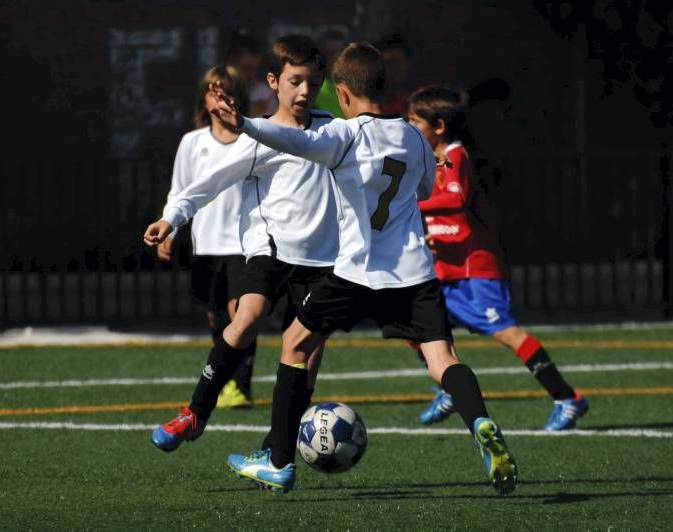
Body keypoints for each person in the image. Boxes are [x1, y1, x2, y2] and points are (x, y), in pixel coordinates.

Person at [215, 42, 518, 495]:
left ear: (341, 93)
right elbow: (422, 190)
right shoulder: (414, 136)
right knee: (443, 361)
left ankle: (278, 462)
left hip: (355, 271)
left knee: (296, 344)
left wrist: (245, 124)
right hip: (414, 274)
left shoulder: (345, 134)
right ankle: (480, 423)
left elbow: (297, 140)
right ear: (385, 87)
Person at [144, 34, 338, 453]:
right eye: (295, 81)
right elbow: (210, 182)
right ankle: (195, 413)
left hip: (323, 260)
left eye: (312, 82)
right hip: (269, 250)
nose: (304, 91)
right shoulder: (261, 135)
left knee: (306, 351)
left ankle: (275, 446)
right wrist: (171, 218)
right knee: (246, 316)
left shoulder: (335, 133)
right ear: (273, 81)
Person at [406, 85, 589, 431]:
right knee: (414, 325)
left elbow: (456, 201)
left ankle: (567, 397)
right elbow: (444, 217)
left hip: (475, 267)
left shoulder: (457, 156)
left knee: (508, 333)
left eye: (415, 122)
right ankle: (448, 387)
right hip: (445, 267)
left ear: (439, 126)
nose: (409, 128)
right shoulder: (430, 162)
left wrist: (411, 203)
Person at [157, 65, 255, 412]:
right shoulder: (192, 143)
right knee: (217, 318)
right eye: (214, 91)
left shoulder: (254, 140)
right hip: (207, 246)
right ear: (204, 97)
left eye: (227, 91)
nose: (220, 97)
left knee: (241, 316)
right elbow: (180, 190)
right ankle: (227, 379)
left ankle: (240, 386)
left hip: (244, 245)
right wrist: (171, 227)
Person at [224, 31, 278, 117]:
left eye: (255, 69)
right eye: (246, 69)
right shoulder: (216, 90)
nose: (252, 75)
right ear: (230, 63)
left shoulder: (264, 93)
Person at [314, 28, 348, 118]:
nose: (334, 59)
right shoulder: (312, 91)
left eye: (339, 54)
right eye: (329, 54)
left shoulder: (356, 88)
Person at [378, 33, 414, 116]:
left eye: (396, 62)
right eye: (388, 63)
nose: (393, 68)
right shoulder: (374, 98)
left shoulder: (418, 97)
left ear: (408, 63)